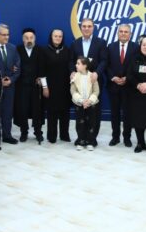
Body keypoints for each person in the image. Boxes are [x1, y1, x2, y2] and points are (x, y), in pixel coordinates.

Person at [69, 18, 108, 146]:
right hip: (79, 83)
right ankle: (81, 138)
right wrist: (72, 72)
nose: (86, 28)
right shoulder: (75, 43)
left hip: (94, 81)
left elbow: (104, 60)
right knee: (80, 112)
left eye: (89, 26)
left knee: (94, 112)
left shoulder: (101, 42)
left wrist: (97, 73)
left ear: (93, 27)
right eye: (84, 26)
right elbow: (71, 61)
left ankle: (92, 139)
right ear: (81, 28)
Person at [106, 24, 138, 147]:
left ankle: (127, 138)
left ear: (130, 34)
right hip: (113, 86)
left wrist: (127, 78)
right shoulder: (110, 47)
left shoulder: (136, 47)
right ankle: (115, 137)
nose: (123, 33)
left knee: (127, 114)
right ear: (117, 33)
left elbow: (136, 66)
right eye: (121, 31)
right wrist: (113, 77)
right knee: (114, 113)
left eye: (126, 32)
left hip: (129, 86)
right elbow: (106, 65)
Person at [41, 29, 72, 144]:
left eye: (60, 36)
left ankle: (64, 135)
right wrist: (45, 87)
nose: (58, 38)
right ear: (51, 37)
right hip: (50, 87)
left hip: (65, 87)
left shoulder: (67, 50)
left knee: (65, 112)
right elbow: (42, 71)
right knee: (52, 112)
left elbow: (71, 67)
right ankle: (52, 136)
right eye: (55, 36)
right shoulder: (44, 51)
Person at [14, 28, 45, 143]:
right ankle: (24, 132)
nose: (29, 40)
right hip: (21, 86)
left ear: (34, 39)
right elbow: (14, 64)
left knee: (37, 110)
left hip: (36, 86)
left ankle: (38, 132)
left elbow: (43, 67)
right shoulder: (18, 49)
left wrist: (41, 80)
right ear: (23, 39)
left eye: (31, 38)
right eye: (26, 38)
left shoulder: (40, 50)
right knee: (23, 109)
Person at [0, 24, 21, 144]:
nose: (6, 37)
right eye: (4, 35)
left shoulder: (12, 48)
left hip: (10, 86)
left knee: (8, 112)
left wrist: (11, 79)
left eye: (8, 34)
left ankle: (7, 135)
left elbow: (18, 67)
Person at [70, 57, 100, 150]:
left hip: (91, 104)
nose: (76, 65)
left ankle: (90, 141)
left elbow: (96, 91)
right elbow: (73, 90)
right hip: (79, 104)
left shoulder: (92, 76)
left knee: (91, 123)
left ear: (85, 65)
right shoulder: (75, 76)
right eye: (76, 63)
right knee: (80, 123)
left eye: (78, 64)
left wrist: (89, 101)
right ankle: (81, 141)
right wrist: (81, 100)